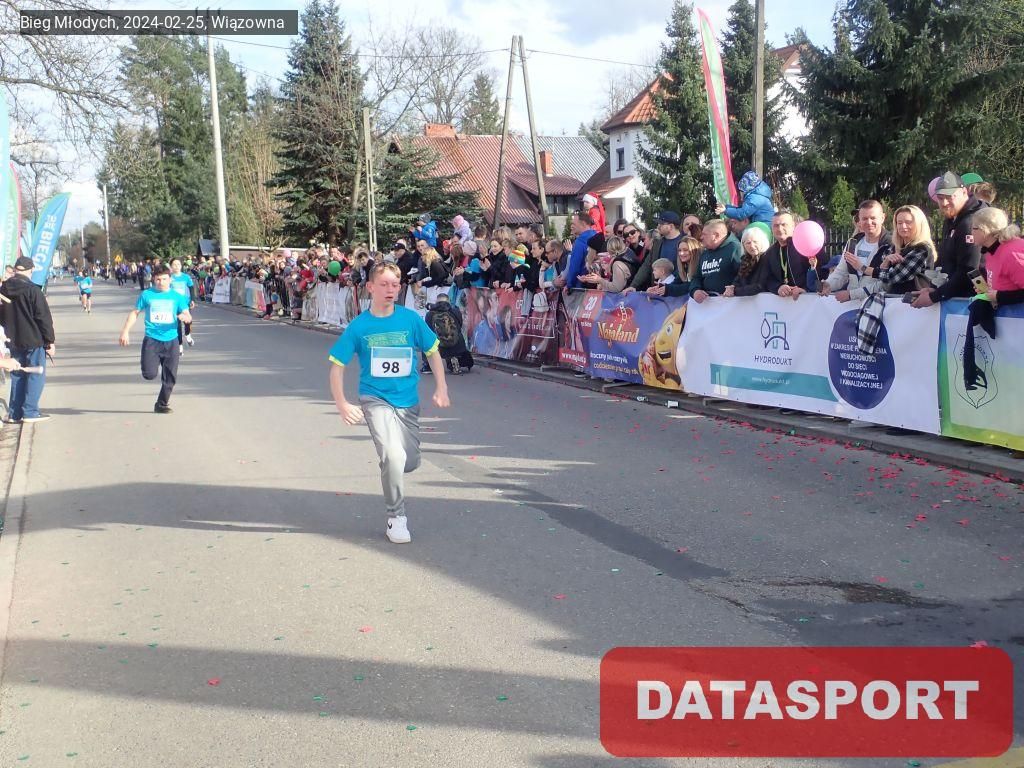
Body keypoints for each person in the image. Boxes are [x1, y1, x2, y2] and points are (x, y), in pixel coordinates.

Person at [328, 262, 450, 544]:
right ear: (370, 287)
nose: (390, 290)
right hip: (375, 399)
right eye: (384, 284)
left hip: (407, 402)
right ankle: (397, 517)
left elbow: (433, 352)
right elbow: (337, 367)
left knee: (408, 461)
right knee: (393, 456)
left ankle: (391, 468)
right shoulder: (359, 326)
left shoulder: (410, 320)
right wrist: (342, 403)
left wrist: (442, 387)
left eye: (395, 284)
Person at [119, 263, 192, 414]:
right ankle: (149, 366)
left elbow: (187, 314)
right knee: (149, 374)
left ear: (170, 279)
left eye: (164, 279)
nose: (161, 282)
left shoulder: (177, 297)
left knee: (170, 377)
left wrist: (185, 317)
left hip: (171, 340)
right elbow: (135, 312)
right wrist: (125, 331)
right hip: (152, 340)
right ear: (153, 279)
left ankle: (161, 404)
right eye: (158, 279)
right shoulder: (146, 295)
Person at [912, 172, 988, 309]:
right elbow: (946, 259)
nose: (944, 203)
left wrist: (935, 296)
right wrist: (934, 288)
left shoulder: (971, 222)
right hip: (958, 299)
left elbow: (969, 270)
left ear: (964, 192)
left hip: (975, 301)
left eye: (949, 197)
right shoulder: (952, 218)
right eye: (940, 198)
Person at [0, 257, 56, 423]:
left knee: (17, 374)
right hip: (33, 339)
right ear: (30, 270)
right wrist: (49, 341)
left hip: (13, 339)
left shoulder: (3, 290)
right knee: (35, 374)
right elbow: (43, 317)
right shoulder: (33, 290)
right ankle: (30, 412)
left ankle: (15, 413)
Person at [821, 200, 893, 302]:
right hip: (850, 305)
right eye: (864, 218)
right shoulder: (853, 242)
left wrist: (852, 294)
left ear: (882, 218)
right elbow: (841, 273)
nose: (869, 222)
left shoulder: (891, 244)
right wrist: (828, 284)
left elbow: (886, 284)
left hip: (878, 305)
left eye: (873, 218)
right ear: (859, 219)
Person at [877, 205, 936, 295]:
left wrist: (884, 265)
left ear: (919, 224)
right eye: (899, 223)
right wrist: (886, 262)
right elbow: (880, 265)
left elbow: (892, 278)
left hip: (914, 300)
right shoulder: (895, 246)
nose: (903, 226)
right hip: (894, 299)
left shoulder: (922, 249)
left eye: (908, 222)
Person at [765, 210, 822, 298]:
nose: (780, 229)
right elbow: (767, 278)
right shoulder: (770, 253)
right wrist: (778, 288)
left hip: (808, 299)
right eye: (776, 225)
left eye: (784, 224)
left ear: (793, 226)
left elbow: (821, 273)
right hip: (783, 302)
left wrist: (806, 290)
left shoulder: (807, 244)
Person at [625, 211, 684, 293]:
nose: (658, 226)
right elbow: (646, 266)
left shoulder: (685, 243)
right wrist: (633, 285)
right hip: (658, 290)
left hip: (678, 292)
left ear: (671, 226)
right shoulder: (657, 243)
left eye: (661, 224)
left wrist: (670, 287)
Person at [690, 219, 742, 303]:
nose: (701, 237)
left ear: (716, 235)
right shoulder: (705, 253)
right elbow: (696, 277)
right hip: (708, 305)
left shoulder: (735, 248)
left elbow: (743, 274)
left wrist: (733, 288)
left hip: (730, 304)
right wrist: (695, 290)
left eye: (704, 234)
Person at [425, 293, 474, 375]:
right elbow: (459, 325)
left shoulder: (430, 314)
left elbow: (428, 330)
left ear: (436, 302)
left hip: (440, 346)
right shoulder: (455, 311)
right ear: (448, 301)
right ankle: (454, 360)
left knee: (427, 340)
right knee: (457, 335)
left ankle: (428, 366)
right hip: (458, 344)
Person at [724, 225, 772, 297]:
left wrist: (736, 291)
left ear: (762, 242)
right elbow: (737, 281)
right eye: (748, 243)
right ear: (743, 245)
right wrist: (731, 288)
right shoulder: (745, 260)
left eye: (755, 242)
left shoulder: (767, 258)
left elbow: (760, 286)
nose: (752, 246)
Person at [555, 212, 597, 290]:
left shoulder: (580, 242)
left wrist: (569, 285)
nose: (571, 226)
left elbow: (574, 267)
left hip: (580, 288)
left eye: (573, 224)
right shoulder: (597, 236)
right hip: (596, 286)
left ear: (583, 224)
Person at [169, 257, 196, 352]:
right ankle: (180, 345)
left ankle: (188, 334)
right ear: (171, 266)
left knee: (188, 322)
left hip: (185, 303)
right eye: (174, 265)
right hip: (174, 305)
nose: (176, 266)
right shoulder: (169, 278)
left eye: (178, 264)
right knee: (177, 326)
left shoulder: (186, 277)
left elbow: (191, 288)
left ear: (181, 266)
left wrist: (192, 300)